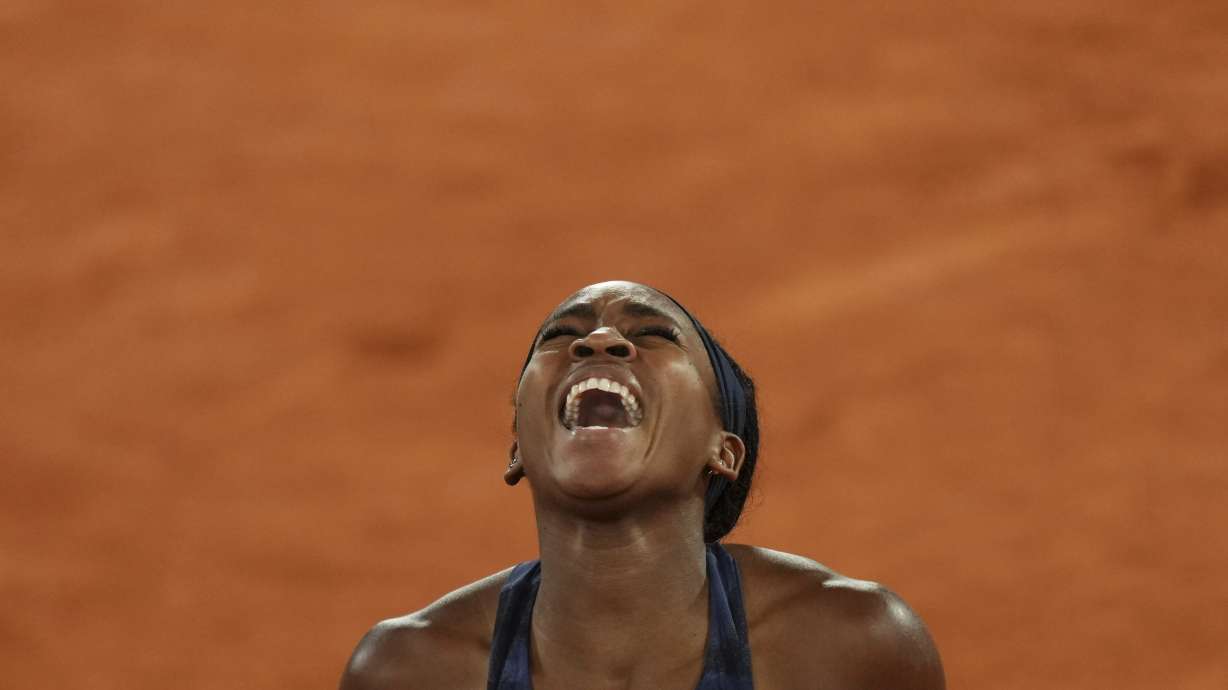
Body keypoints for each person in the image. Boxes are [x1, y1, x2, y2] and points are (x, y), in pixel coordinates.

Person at [339, 280, 945, 689]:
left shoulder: (845, 645)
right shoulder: (411, 669)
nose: (596, 340)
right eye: (560, 337)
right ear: (519, 446)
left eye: (654, 336)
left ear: (724, 451)